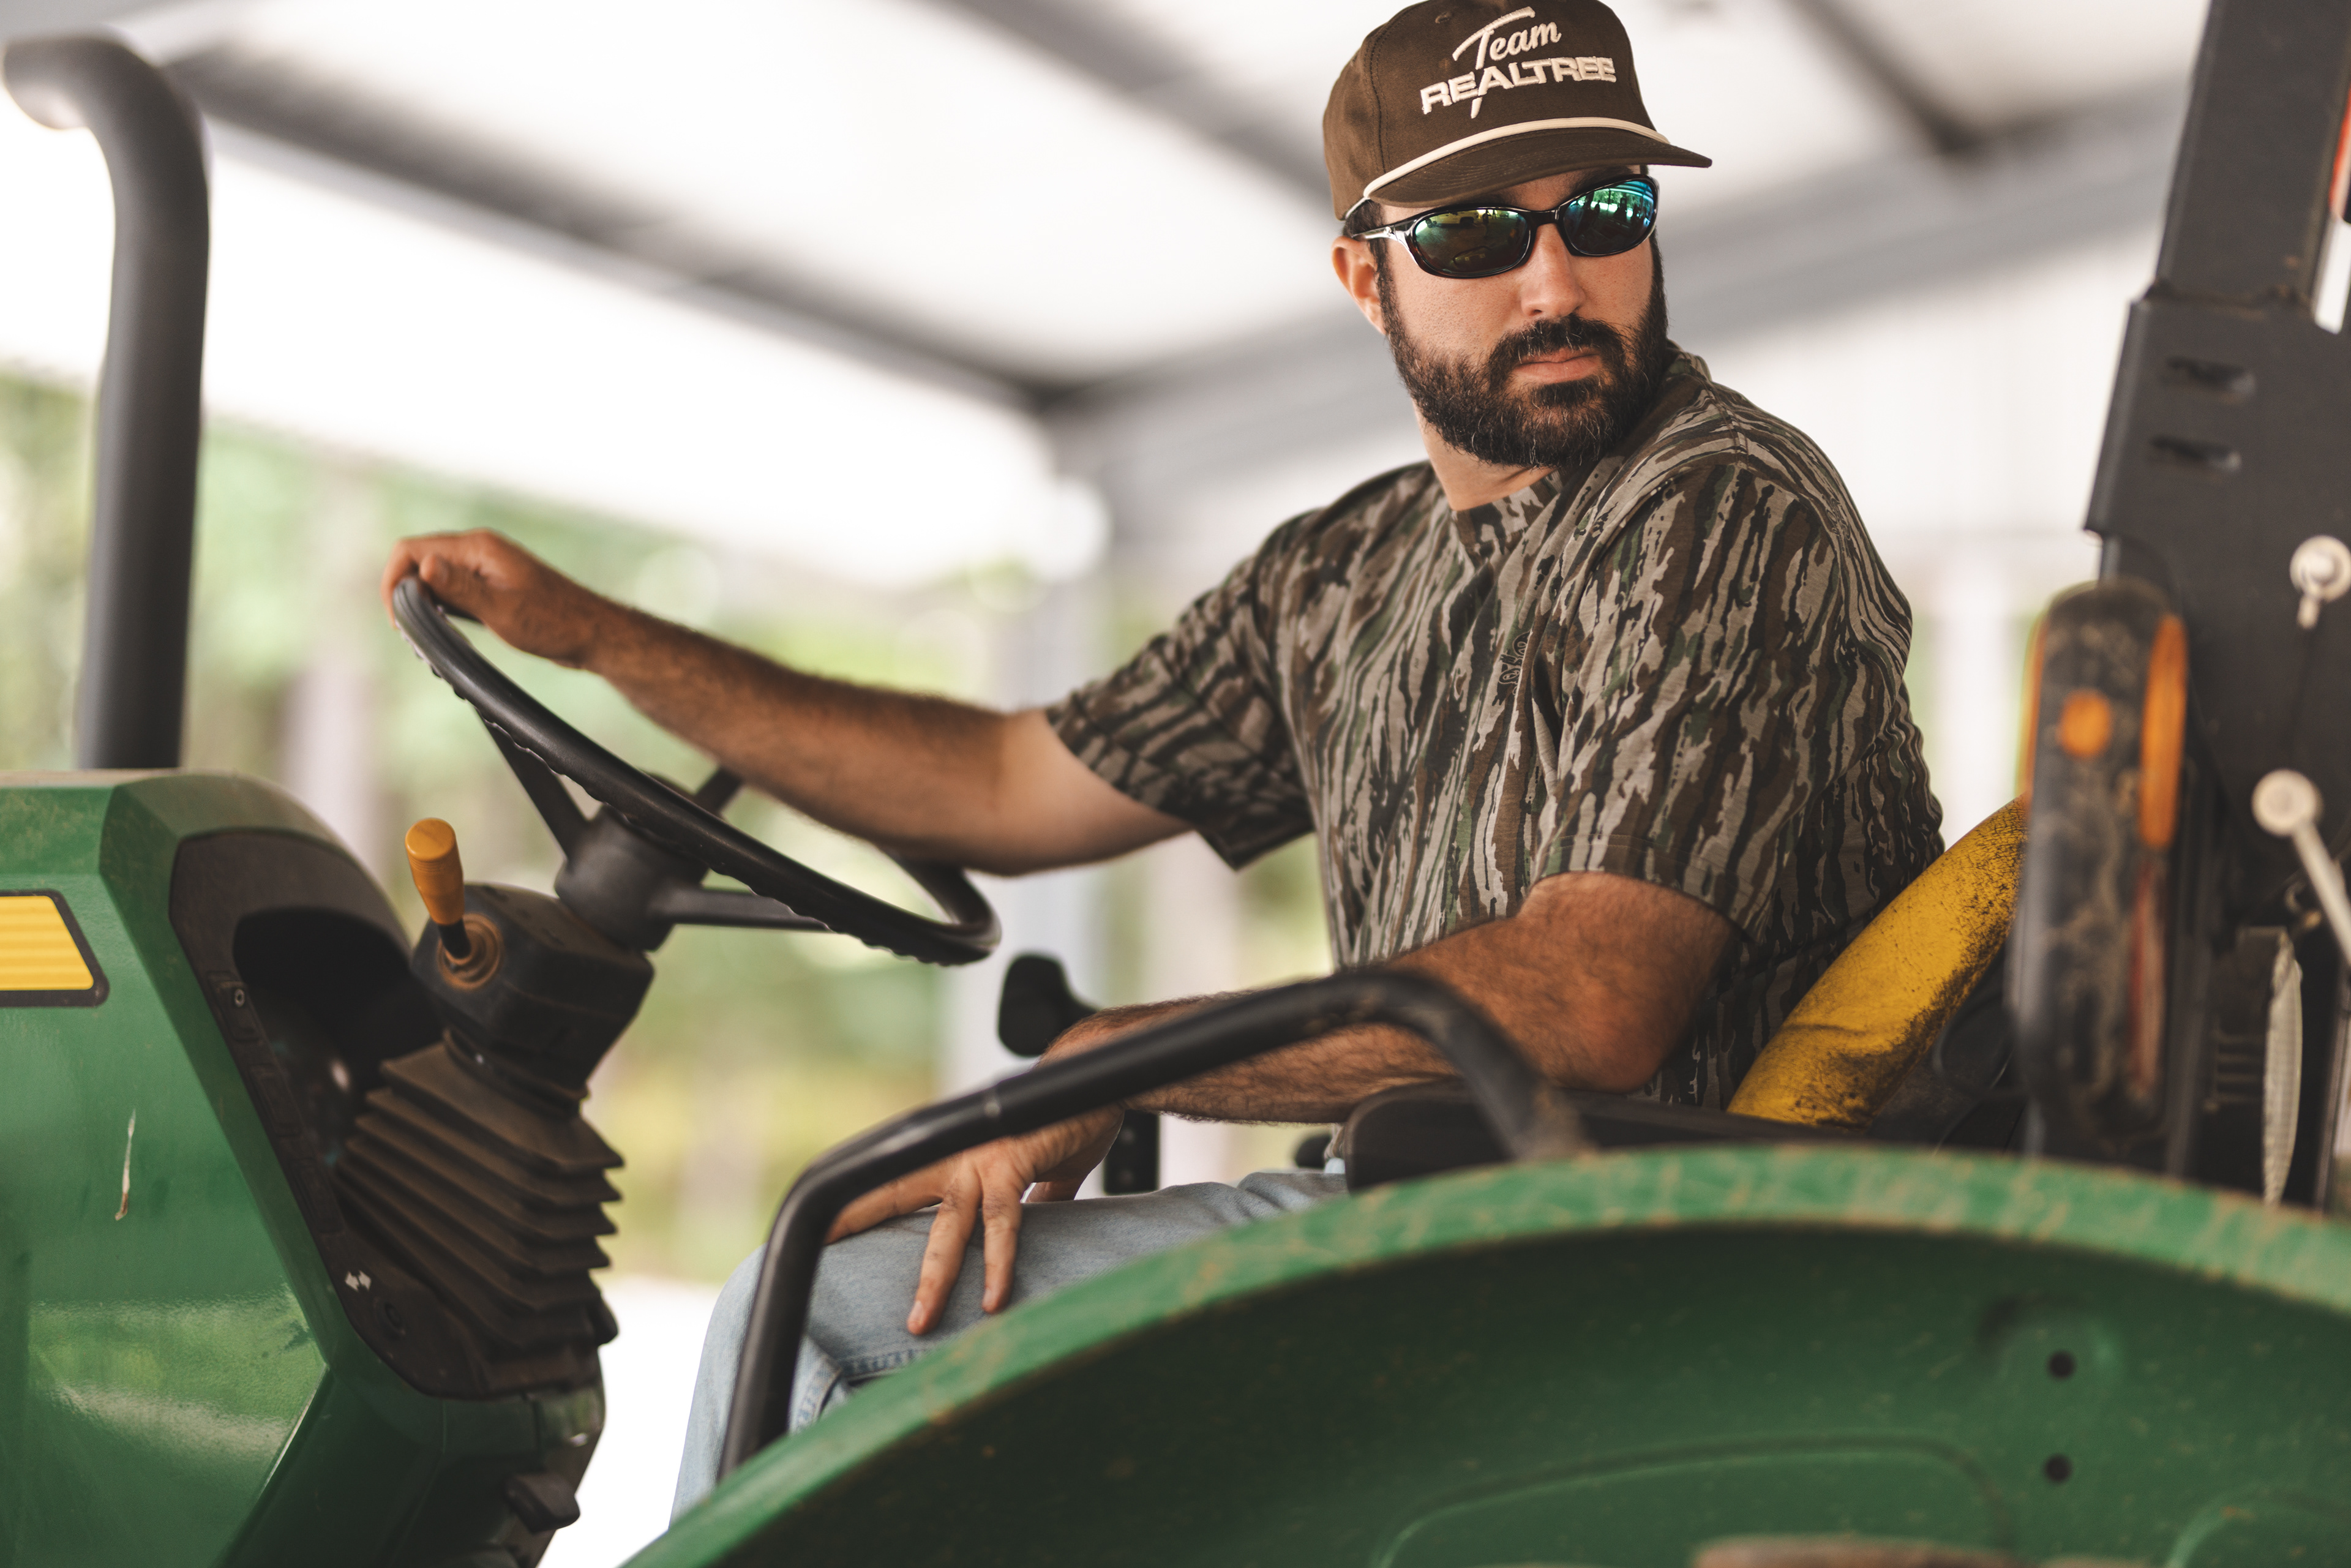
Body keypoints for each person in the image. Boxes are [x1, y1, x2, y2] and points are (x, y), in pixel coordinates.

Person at [381, 0, 1941, 1513]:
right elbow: (1001, 784)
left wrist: (1109, 1059)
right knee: (832, 1266)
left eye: (1603, 210)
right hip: (1442, 1208)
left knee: (821, 1323)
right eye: (1474, 232)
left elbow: (1591, 999)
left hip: (1644, 1248)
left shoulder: (1720, 506)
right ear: (1363, 273)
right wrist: (598, 638)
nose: (1556, 279)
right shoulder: (1348, 575)